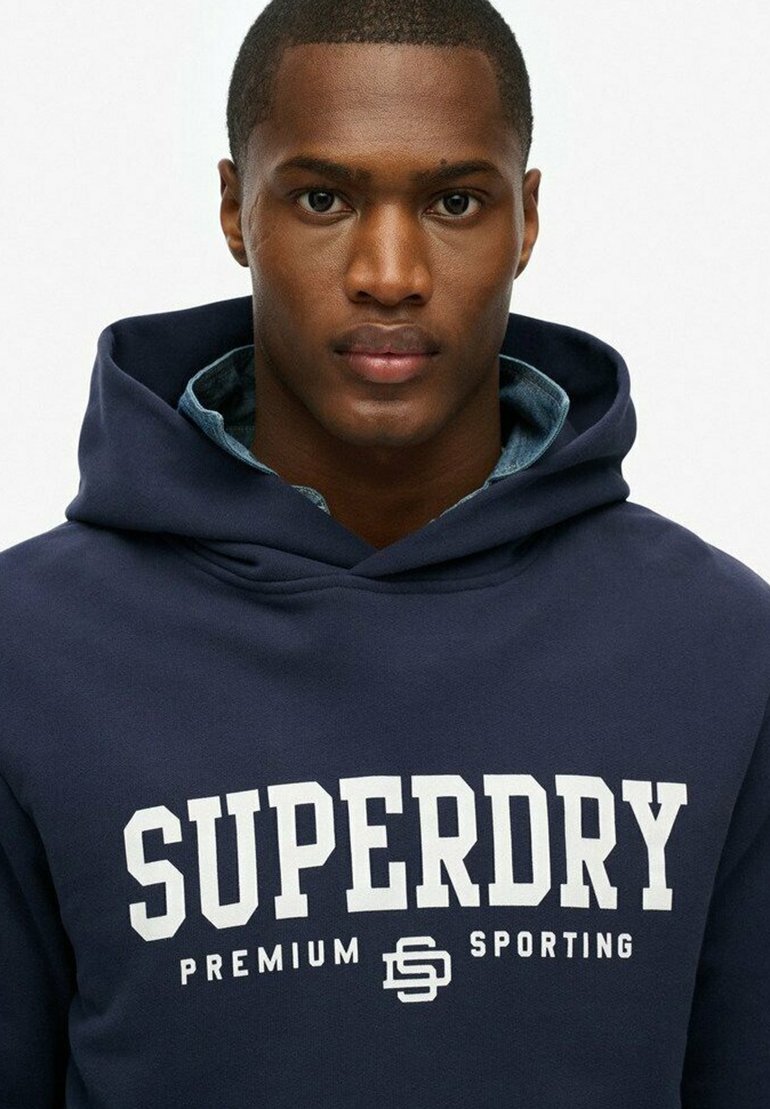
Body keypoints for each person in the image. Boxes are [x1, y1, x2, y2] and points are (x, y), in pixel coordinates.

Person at [1, 0, 768, 1105]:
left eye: (455, 201)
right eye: (323, 198)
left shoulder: (722, 650)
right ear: (233, 210)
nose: (390, 271)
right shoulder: (29, 652)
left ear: (527, 219)